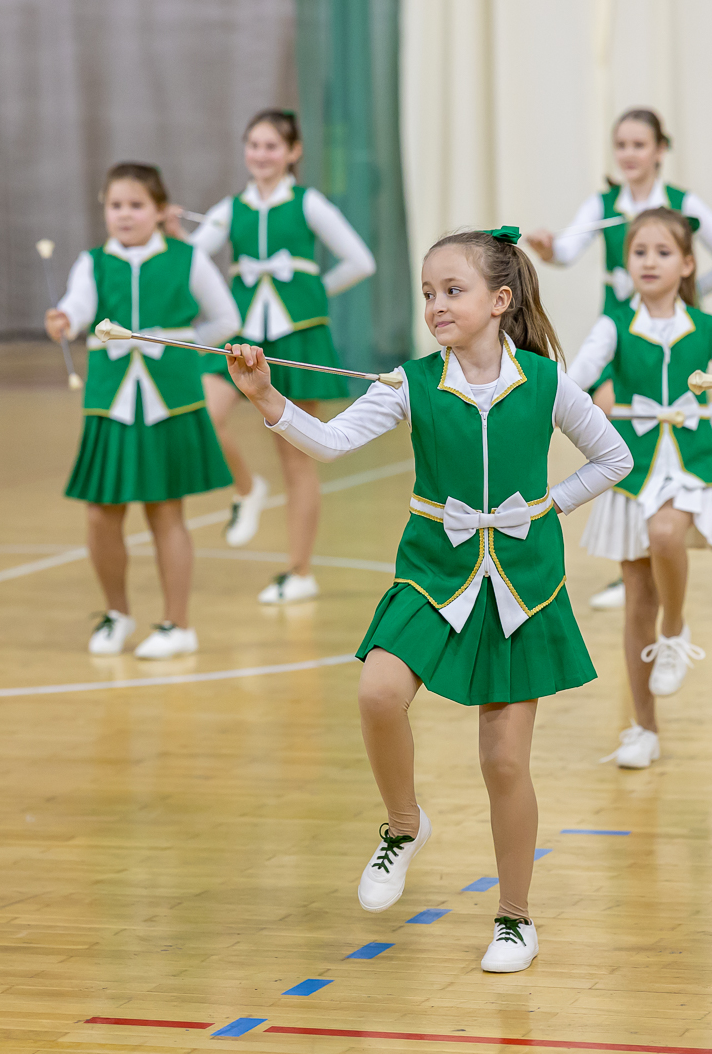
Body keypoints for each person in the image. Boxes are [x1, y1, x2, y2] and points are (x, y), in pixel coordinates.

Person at [226, 226, 632, 974]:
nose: (437, 305)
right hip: (432, 573)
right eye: (427, 294)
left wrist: (550, 506)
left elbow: (615, 456)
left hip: (521, 585)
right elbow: (330, 442)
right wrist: (266, 396)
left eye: (453, 291)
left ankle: (515, 918)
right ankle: (403, 825)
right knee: (378, 690)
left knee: (505, 762)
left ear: (499, 301)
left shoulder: (546, 384)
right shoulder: (409, 383)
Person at [523, 107, 712, 611]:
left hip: (663, 330)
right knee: (610, 427)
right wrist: (546, 246)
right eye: (620, 145)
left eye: (638, 144)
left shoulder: (682, 206)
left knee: (632, 427)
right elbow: (565, 251)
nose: (628, 154)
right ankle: (631, 559)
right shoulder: (603, 205)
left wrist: (688, 295)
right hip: (617, 336)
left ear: (660, 150)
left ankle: (648, 558)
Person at [565, 209, 712, 769]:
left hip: (688, 467)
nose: (648, 262)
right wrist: (597, 406)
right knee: (635, 605)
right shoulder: (611, 324)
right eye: (638, 253)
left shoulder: (707, 327)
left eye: (660, 252)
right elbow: (572, 383)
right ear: (626, 264)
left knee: (665, 533)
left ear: (686, 264)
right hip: (631, 470)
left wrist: (702, 416)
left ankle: (675, 630)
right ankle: (643, 728)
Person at [46, 163, 239, 658]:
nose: (125, 215)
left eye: (136, 206)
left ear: (159, 211)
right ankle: (116, 613)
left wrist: (183, 345)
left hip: (170, 399)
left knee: (166, 512)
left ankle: (178, 624)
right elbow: (79, 305)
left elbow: (225, 319)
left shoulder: (187, 259)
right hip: (110, 401)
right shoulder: (92, 262)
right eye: (115, 206)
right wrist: (66, 320)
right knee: (100, 514)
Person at [193, 109, 376, 604]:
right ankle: (246, 488)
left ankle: (299, 571)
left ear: (293, 152)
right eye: (253, 145)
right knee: (205, 414)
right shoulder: (229, 209)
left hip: (297, 336)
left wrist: (312, 295)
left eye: (272, 146)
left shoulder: (309, 203)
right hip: (240, 333)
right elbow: (189, 259)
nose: (261, 155)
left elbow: (361, 261)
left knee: (297, 455)